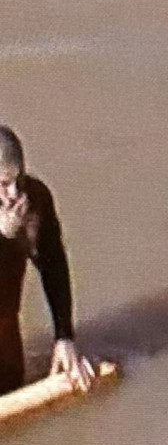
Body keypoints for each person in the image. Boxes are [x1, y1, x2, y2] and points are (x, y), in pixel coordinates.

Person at [0, 126, 94, 396]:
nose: (15, 193)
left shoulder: (35, 199)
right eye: (3, 185)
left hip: (5, 323)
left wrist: (65, 336)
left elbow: (54, 266)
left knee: (11, 384)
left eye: (19, 179)